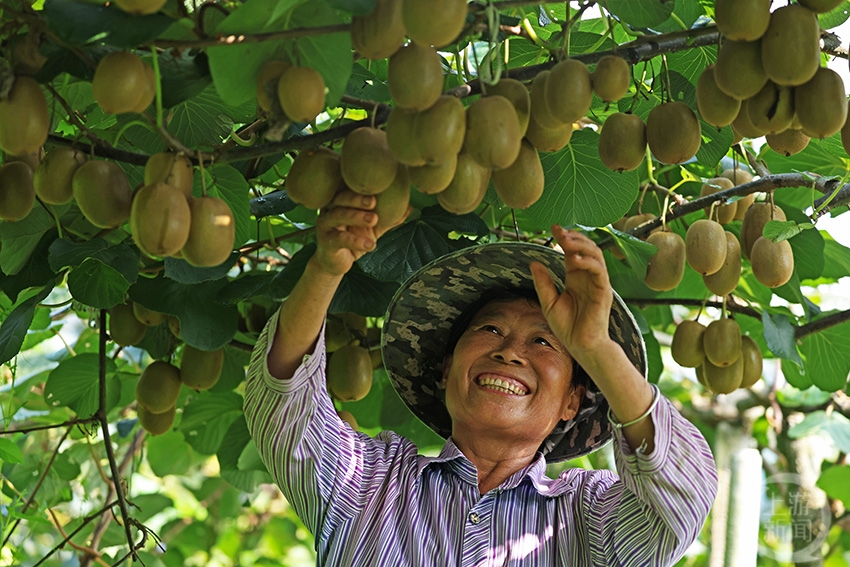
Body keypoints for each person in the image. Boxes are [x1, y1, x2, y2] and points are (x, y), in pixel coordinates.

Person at [244, 188, 718, 566]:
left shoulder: (588, 519)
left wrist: (595, 348)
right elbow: (283, 404)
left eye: (544, 342)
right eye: (489, 329)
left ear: (572, 403)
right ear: (448, 367)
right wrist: (327, 269)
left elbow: (683, 500)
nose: (509, 352)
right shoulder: (369, 483)